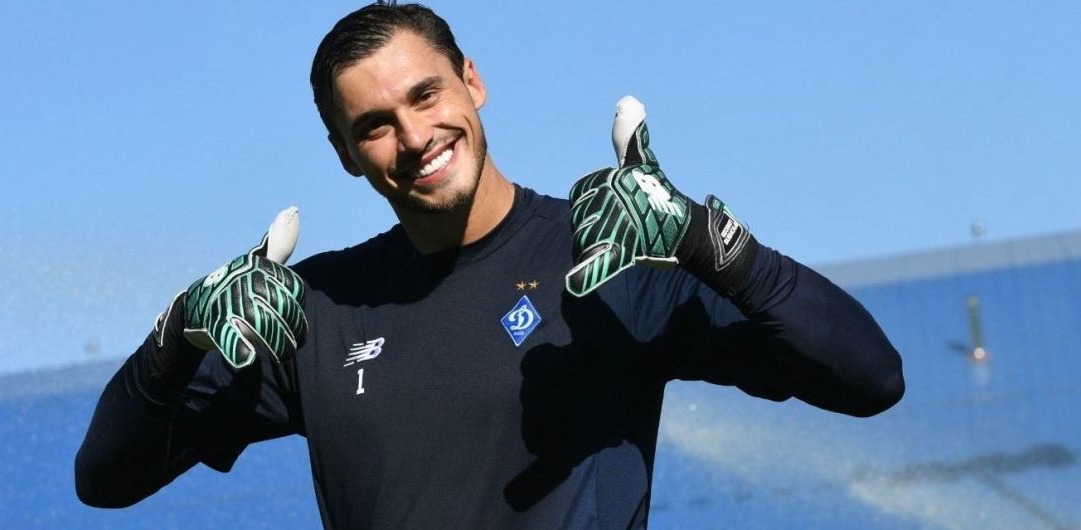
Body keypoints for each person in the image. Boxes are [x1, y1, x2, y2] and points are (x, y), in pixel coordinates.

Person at [74, 2, 905, 528]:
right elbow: (106, 480)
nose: (414, 137)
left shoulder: (611, 255)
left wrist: (710, 242)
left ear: (471, 81)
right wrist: (175, 338)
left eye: (426, 94)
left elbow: (871, 378)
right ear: (344, 155)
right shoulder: (315, 310)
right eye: (374, 126)